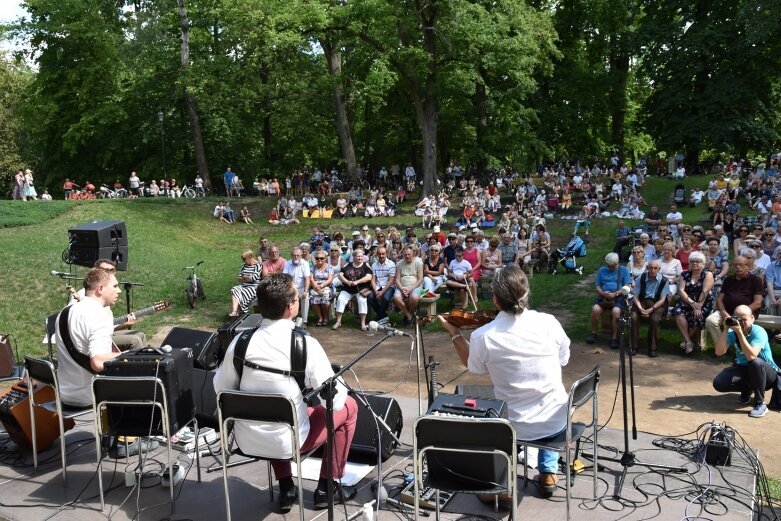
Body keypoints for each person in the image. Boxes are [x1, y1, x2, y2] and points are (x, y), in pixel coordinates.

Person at [213, 274, 358, 511]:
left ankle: (286, 488)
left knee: (269, 408)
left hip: (246, 440)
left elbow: (221, 388)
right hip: (291, 442)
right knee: (350, 407)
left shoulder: (240, 341)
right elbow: (337, 401)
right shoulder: (304, 344)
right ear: (291, 307)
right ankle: (327, 487)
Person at [437, 265, 570, 499]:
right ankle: (548, 472)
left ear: (496, 299)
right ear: (526, 294)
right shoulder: (549, 322)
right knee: (546, 400)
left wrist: (455, 333)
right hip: (556, 423)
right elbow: (564, 359)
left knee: (483, 418)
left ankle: (498, 485)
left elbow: (474, 367)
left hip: (514, 428)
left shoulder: (484, 335)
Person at [713, 305, 780, 418]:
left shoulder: (759, 331)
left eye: (744, 319)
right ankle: (748, 389)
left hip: (767, 374)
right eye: (738, 319)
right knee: (719, 383)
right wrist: (725, 330)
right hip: (745, 368)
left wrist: (739, 333)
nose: (741, 322)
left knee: (755, 363)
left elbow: (752, 356)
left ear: (752, 318)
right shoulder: (731, 331)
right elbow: (719, 352)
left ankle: (760, 404)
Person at [705, 256, 765, 346]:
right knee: (710, 320)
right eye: (735, 265)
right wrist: (723, 311)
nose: (737, 267)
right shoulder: (728, 280)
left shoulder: (755, 280)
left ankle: (742, 350)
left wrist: (739, 313)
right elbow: (719, 299)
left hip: (746, 313)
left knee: (742, 325)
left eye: (741, 265)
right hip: (726, 312)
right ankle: (722, 347)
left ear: (747, 266)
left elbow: (757, 303)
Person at [672, 251, 714, 354]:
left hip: (703, 301)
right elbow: (681, 290)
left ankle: (685, 341)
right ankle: (688, 341)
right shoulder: (685, 274)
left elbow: (705, 291)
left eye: (698, 261)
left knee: (698, 316)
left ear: (703, 263)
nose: (694, 263)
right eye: (692, 261)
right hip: (687, 301)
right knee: (678, 312)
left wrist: (698, 306)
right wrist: (692, 303)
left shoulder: (707, 274)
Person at [587, 252, 632, 349]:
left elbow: (627, 286)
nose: (610, 268)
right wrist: (602, 293)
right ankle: (593, 332)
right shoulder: (602, 270)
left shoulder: (623, 270)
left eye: (612, 266)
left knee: (616, 312)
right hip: (603, 297)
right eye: (609, 266)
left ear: (617, 262)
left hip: (618, 297)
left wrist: (615, 294)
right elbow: (597, 286)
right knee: (595, 309)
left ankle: (614, 337)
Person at [631, 260, 670, 357]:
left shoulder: (664, 281)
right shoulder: (641, 278)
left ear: (659, 269)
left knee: (655, 320)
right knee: (633, 317)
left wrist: (651, 309)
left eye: (655, 268)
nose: (653, 270)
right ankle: (634, 346)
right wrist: (640, 308)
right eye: (651, 268)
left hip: (656, 304)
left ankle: (652, 348)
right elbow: (635, 296)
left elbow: (662, 300)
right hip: (642, 302)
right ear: (647, 268)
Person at [332, 249, 373, 330]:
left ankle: (363, 323)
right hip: (348, 289)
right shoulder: (348, 265)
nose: (360, 258)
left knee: (362, 301)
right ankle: (338, 321)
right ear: (353, 257)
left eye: (361, 256)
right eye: (358, 256)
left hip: (361, 290)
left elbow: (369, 277)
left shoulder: (366, 266)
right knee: (341, 299)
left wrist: (357, 282)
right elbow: (340, 276)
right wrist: (347, 282)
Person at [393, 246, 425, 325]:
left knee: (414, 297)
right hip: (402, 287)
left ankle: (408, 315)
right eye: (405, 255)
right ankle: (409, 316)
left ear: (413, 254)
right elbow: (397, 279)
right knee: (396, 297)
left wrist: (410, 289)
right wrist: (402, 288)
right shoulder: (399, 264)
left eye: (409, 254)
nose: (407, 256)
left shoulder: (419, 263)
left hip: (415, 286)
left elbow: (420, 279)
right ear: (403, 255)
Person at [283, 247, 311, 326]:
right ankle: (290, 319)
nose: (296, 257)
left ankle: (304, 321)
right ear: (291, 256)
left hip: (302, 288)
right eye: (294, 255)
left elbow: (307, 278)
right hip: (290, 288)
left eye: (298, 255)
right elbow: (286, 278)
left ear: (301, 256)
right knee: (285, 297)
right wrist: (293, 290)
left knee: (306, 298)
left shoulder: (305, 263)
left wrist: (305, 291)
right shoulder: (287, 263)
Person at [229, 250, 261, 316]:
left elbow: (254, 278)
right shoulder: (244, 266)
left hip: (254, 287)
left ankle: (240, 313)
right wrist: (246, 278)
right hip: (244, 286)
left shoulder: (258, 265)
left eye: (244, 259)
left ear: (250, 257)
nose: (243, 261)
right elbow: (239, 278)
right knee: (235, 289)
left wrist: (244, 278)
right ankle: (235, 311)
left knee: (243, 293)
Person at [368, 247, 396, 321]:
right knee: (370, 297)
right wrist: (376, 291)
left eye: (383, 254)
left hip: (388, 287)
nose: (381, 256)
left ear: (386, 254)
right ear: (377, 254)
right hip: (378, 286)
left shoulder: (391, 264)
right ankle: (383, 315)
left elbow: (391, 281)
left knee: (386, 298)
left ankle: (379, 317)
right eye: (379, 254)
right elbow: (373, 280)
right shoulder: (374, 265)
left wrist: (382, 292)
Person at [309, 251, 334, 326]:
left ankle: (325, 317)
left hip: (326, 286)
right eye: (317, 258)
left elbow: (330, 279)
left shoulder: (329, 267)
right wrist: (316, 287)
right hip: (315, 286)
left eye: (321, 258)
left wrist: (321, 286)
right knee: (312, 297)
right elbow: (311, 279)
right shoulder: (312, 267)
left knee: (325, 296)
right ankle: (320, 317)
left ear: (325, 258)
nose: (319, 260)